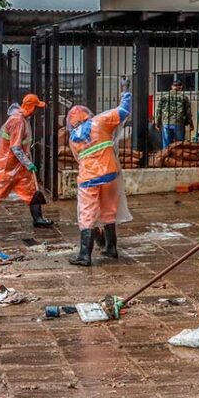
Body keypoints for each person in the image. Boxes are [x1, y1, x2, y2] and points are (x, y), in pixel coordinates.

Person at [65, 86, 133, 266]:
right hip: (110, 174)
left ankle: (84, 255)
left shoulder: (72, 139)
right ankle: (111, 247)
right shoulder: (100, 122)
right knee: (109, 211)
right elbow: (124, 110)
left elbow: (78, 159)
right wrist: (125, 91)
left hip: (88, 179)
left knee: (87, 214)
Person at [0, 94, 54, 230]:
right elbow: (15, 147)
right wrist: (29, 164)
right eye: (36, 107)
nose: (37, 111)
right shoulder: (18, 121)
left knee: (31, 190)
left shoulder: (22, 119)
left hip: (17, 165)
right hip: (9, 165)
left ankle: (38, 219)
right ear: (30, 107)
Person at [155, 79, 194, 149]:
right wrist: (191, 124)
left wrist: (157, 123)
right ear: (181, 87)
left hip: (166, 122)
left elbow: (159, 110)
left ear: (171, 86)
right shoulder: (184, 97)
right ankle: (178, 158)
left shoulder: (164, 96)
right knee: (179, 145)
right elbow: (188, 112)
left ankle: (166, 158)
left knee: (166, 146)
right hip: (178, 123)